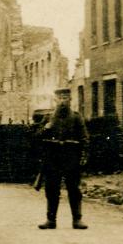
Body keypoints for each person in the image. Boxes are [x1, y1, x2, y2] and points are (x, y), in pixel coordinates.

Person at [38, 87, 88, 230]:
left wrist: (84, 156)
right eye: (60, 98)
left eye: (65, 98)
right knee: (51, 189)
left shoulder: (77, 117)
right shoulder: (48, 117)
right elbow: (36, 136)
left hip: (71, 157)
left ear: (70, 100)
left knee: (74, 189)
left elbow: (85, 138)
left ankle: (77, 220)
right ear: (55, 100)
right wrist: (46, 129)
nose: (62, 102)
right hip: (53, 158)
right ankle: (50, 220)